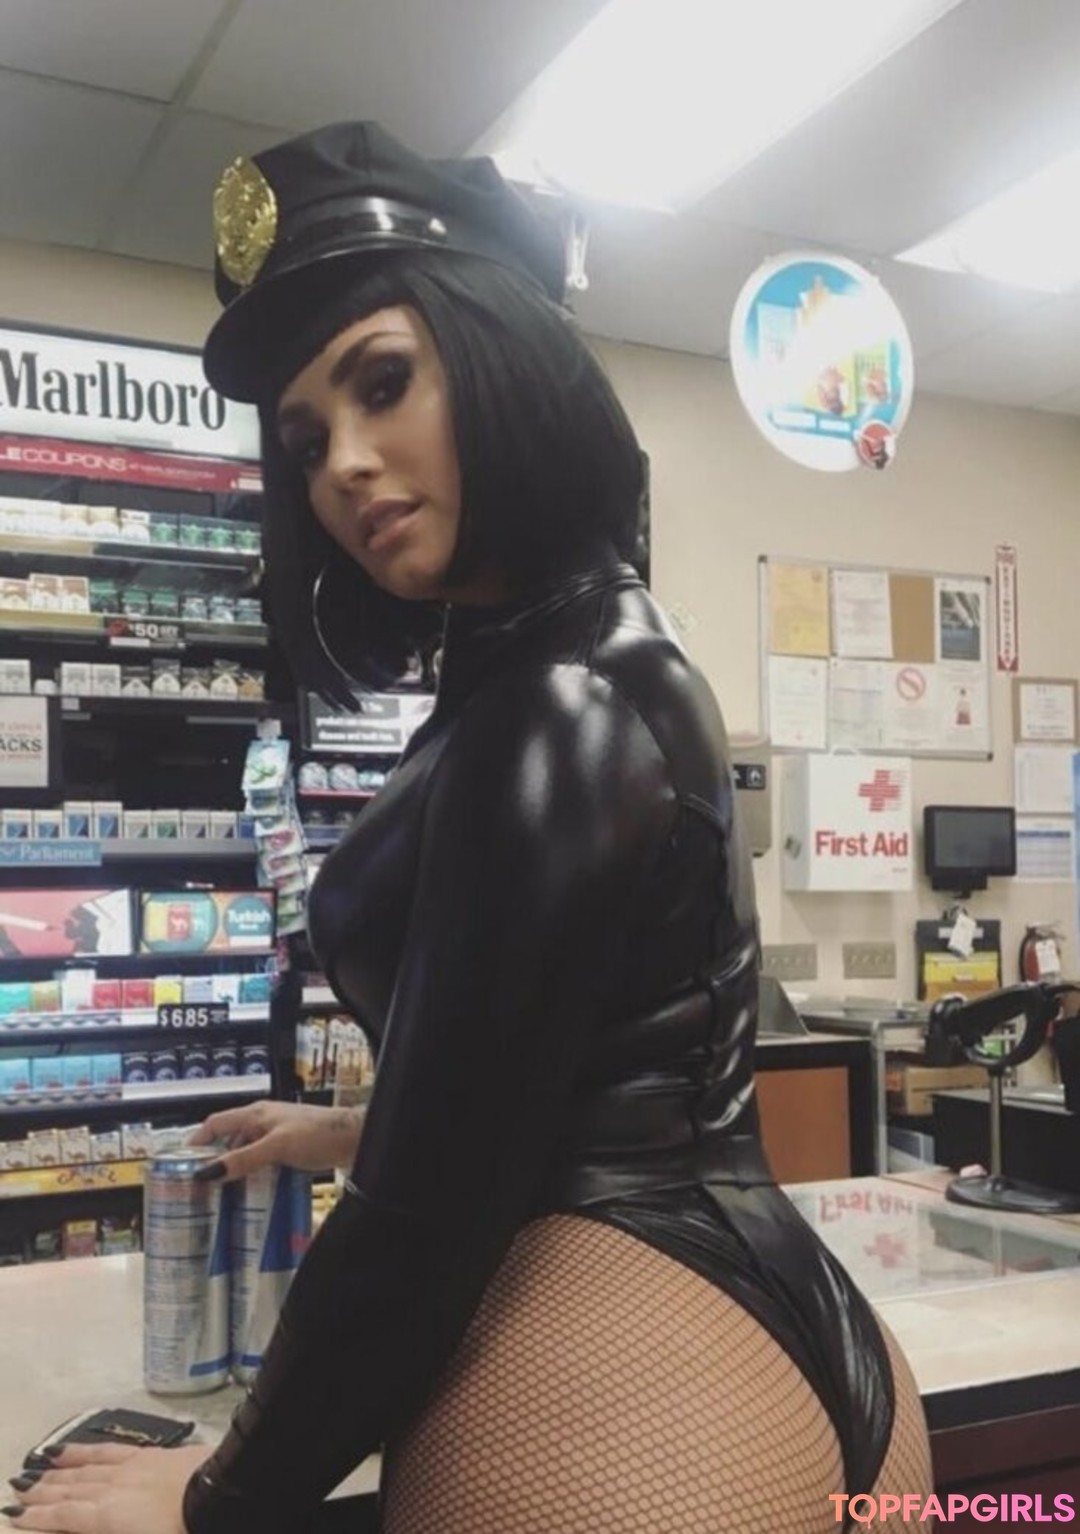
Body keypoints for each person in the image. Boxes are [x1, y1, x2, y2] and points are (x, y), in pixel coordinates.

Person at [8, 122, 933, 1534]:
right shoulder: (605, 656)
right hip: (768, 1342)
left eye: (383, 383)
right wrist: (343, 1126)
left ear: (497, 355)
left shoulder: (551, 706)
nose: (346, 464)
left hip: (631, 1392)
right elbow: (588, 1070)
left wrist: (217, 1495)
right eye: (308, 440)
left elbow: (428, 1214)